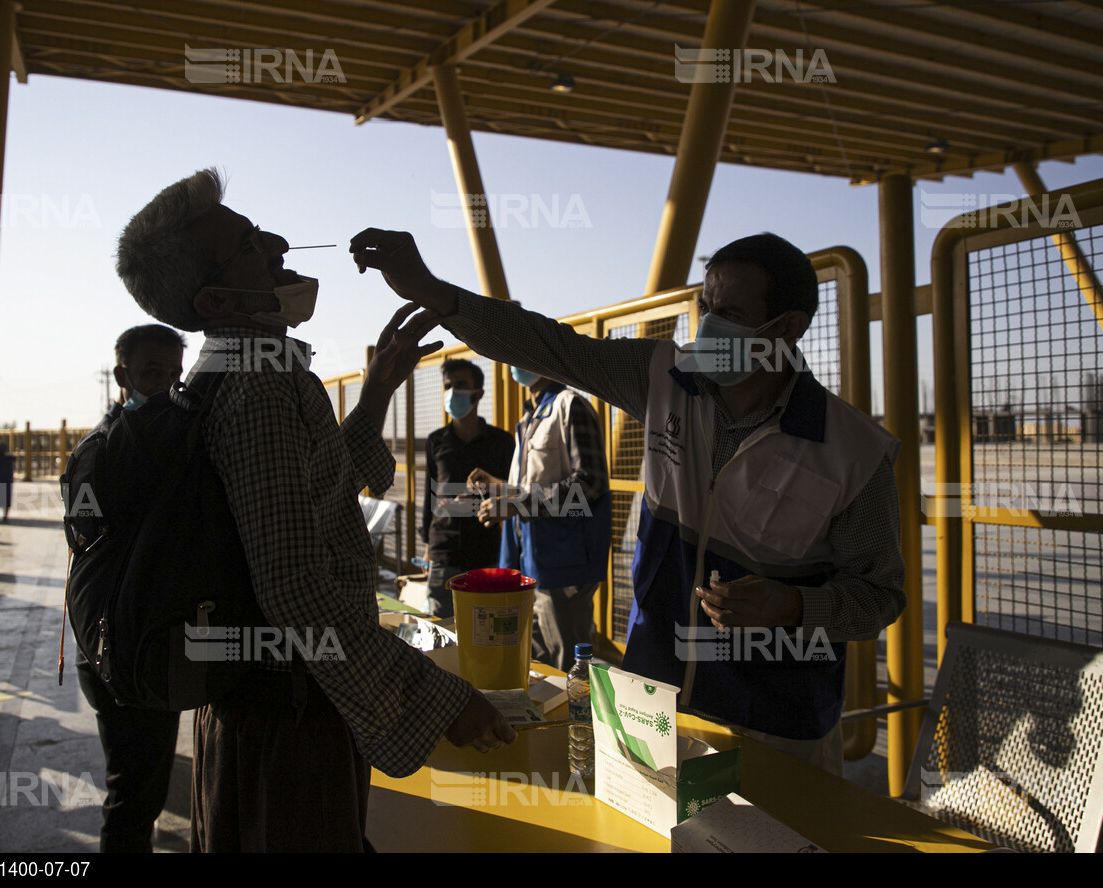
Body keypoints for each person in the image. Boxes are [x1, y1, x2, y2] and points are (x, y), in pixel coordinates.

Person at [350, 228, 906, 775]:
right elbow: (553, 346)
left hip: (774, 723)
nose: (707, 327)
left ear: (786, 328)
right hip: (654, 696)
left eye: (730, 315)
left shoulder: (852, 453)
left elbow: (879, 597)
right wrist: (433, 290)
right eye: (703, 306)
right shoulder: (666, 380)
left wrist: (794, 608)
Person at [115, 169, 514, 852]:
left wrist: (380, 389)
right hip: (289, 719)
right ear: (216, 297)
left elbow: (317, 490)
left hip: (258, 707)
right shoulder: (260, 386)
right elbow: (296, 585)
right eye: (248, 245)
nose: (277, 243)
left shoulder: (234, 369)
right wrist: (439, 700)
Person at [75, 323, 186, 853]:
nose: (164, 384)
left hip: (115, 641)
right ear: (123, 375)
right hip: (126, 649)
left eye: (172, 374)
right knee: (135, 793)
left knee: (138, 782)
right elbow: (89, 535)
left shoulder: (101, 442)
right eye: (152, 372)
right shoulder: (110, 449)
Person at [467, 367, 610, 672]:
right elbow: (537, 488)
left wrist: (517, 504)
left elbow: (589, 485)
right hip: (530, 564)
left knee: (566, 669)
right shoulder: (530, 418)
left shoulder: (570, 406)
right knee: (535, 668)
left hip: (563, 567)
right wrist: (501, 488)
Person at [420, 358, 514, 617]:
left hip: (486, 554)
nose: (452, 392)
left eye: (460, 385)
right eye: (448, 386)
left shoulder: (502, 443)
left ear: (478, 393)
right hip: (444, 555)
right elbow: (429, 497)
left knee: (486, 634)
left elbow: (516, 492)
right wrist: (428, 547)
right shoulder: (436, 441)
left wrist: (484, 497)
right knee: (442, 634)